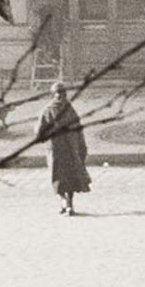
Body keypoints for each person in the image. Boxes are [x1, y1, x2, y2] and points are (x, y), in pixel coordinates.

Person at [35, 82, 91, 215]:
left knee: (58, 178)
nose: (61, 96)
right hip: (71, 149)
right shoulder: (70, 109)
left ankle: (65, 202)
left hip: (56, 150)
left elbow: (39, 132)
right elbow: (79, 129)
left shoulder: (47, 110)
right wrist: (81, 147)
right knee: (70, 177)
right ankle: (68, 204)